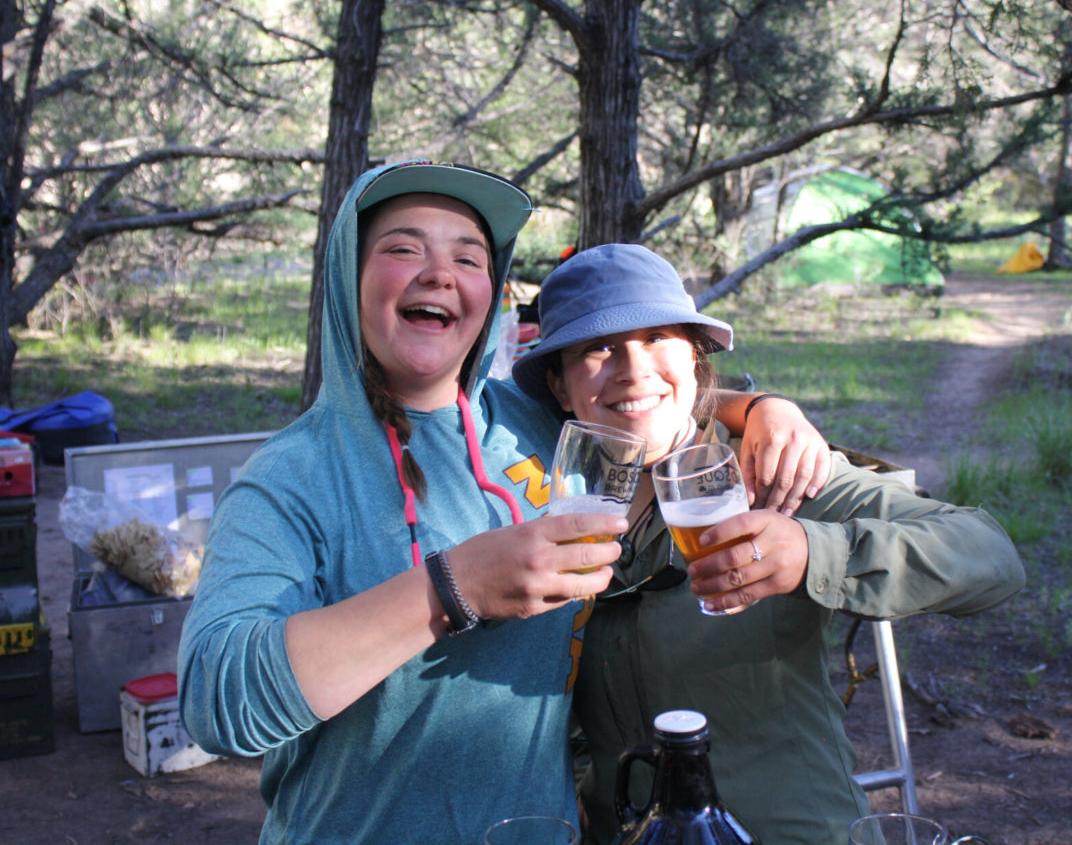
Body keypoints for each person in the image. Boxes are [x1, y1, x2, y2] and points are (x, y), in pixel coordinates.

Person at [177, 161, 829, 845]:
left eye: (469, 256)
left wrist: (759, 409)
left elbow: (640, 396)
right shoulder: (289, 478)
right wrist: (453, 589)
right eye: (403, 249)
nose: (439, 273)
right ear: (348, 279)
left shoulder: (540, 426)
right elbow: (219, 702)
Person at [511, 243, 1027, 845]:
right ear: (559, 385)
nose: (633, 368)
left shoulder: (770, 470)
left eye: (657, 337)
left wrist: (814, 553)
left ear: (697, 357)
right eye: (597, 348)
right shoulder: (537, 494)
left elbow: (990, 555)